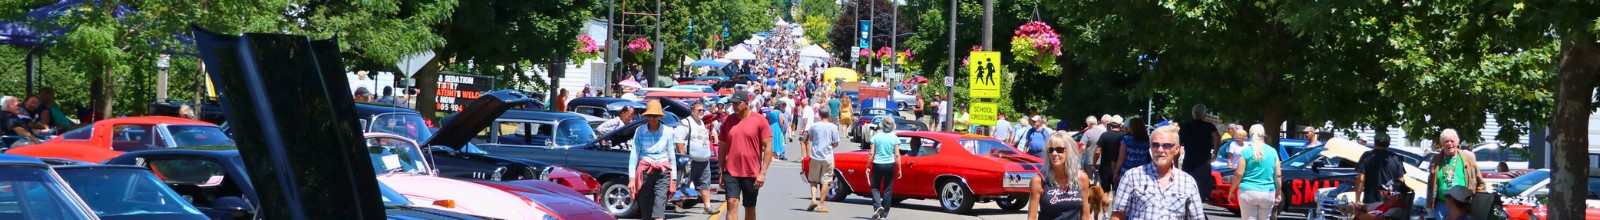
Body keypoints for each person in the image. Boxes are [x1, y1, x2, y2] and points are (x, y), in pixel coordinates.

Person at [1109, 125, 1206, 220]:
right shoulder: (1132, 177)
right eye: (1155, 145)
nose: (1160, 150)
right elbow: (1117, 215)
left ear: (1177, 149)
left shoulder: (1187, 182)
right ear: (1150, 147)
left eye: (1167, 145)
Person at [717, 91, 774, 220]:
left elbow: (769, 147)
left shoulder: (759, 120)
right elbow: (722, 147)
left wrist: (763, 173)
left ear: (746, 103)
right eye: (733, 103)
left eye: (738, 103)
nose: (735, 106)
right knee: (731, 203)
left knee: (749, 207)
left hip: (751, 172)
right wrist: (721, 171)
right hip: (731, 171)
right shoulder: (727, 121)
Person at [628, 100, 677, 220]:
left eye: (655, 116)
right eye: (650, 116)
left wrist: (674, 179)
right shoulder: (640, 130)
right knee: (646, 207)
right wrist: (631, 178)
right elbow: (634, 154)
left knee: (659, 204)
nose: (653, 119)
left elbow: (672, 156)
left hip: (662, 170)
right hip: (645, 170)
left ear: (660, 116)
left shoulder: (668, 131)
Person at [1027, 132, 1090, 220]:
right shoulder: (1039, 180)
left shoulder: (1082, 178)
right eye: (1051, 150)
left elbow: (1086, 215)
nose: (1054, 153)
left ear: (1069, 151)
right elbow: (1031, 217)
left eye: (1059, 149)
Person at [673, 101, 719, 214]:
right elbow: (679, 142)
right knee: (684, 182)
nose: (702, 112)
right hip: (690, 161)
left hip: (704, 160)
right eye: (699, 110)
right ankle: (679, 205)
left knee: (705, 184)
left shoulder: (701, 123)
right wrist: (684, 159)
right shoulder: (685, 123)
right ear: (692, 110)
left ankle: (707, 207)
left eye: (703, 110)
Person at [1426, 129, 1483, 220]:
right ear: (1442, 143)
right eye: (1446, 141)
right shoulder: (1435, 159)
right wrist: (1429, 203)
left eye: (1452, 141)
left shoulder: (1467, 158)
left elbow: (1480, 182)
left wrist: (1480, 202)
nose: (1449, 143)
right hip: (1441, 205)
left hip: (1461, 206)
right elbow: (1430, 184)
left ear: (1457, 142)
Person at [1228, 125, 1281, 220]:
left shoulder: (1246, 152)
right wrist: (1278, 193)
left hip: (1248, 191)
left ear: (1250, 135)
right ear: (1263, 135)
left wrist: (1232, 190)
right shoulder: (1273, 152)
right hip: (1267, 192)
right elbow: (1277, 175)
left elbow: (1239, 174)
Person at [1178, 104, 1221, 201]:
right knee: (1201, 191)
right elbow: (1217, 137)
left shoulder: (1185, 127)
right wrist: (1215, 155)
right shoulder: (1209, 126)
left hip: (1189, 162)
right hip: (1203, 162)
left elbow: (1178, 144)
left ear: (1193, 114)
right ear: (1204, 115)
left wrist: (1176, 162)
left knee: (1187, 189)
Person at [802, 111, 841, 213]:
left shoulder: (814, 126)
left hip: (815, 156)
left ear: (819, 114)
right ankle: (821, 205)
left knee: (813, 180)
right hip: (827, 157)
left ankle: (813, 199)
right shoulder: (833, 127)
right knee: (825, 181)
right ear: (829, 115)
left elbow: (810, 138)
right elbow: (836, 143)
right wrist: (830, 145)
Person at [1356, 133, 1405, 211]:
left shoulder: (1367, 156)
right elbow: (1401, 181)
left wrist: (1357, 199)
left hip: (1371, 201)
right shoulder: (1396, 158)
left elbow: (1361, 179)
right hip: (1390, 202)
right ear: (1388, 144)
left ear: (1375, 143)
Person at [866, 116, 903, 220]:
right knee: (888, 189)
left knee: (875, 187)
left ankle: (877, 206)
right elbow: (897, 155)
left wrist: (868, 165)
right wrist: (899, 168)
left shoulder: (876, 136)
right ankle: (884, 215)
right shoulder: (894, 137)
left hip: (878, 163)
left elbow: (872, 153)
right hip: (890, 164)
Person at [1339, 179, 1413, 220]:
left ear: (1400, 197)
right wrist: (1351, 206)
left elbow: (1377, 219)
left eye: (1388, 193)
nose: (1384, 196)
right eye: (1383, 192)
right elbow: (1364, 206)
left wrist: (1356, 212)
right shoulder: (1382, 204)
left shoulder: (1398, 210)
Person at [1114, 117, 1151, 183]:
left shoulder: (1126, 139)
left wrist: (1116, 172)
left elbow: (1121, 158)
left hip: (1127, 169)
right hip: (1143, 170)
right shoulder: (1147, 139)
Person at [1096, 116, 1126, 192]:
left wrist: (1094, 163)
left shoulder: (1104, 135)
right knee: (1117, 191)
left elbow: (1097, 151)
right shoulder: (1123, 136)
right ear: (1120, 124)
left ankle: (1105, 204)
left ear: (1111, 124)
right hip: (1119, 167)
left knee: (1105, 191)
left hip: (1105, 167)